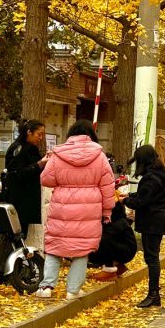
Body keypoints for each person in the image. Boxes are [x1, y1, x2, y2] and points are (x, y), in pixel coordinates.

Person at [38, 120, 114, 300]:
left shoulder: (58, 153)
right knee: (82, 249)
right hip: (89, 208)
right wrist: (107, 211)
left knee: (55, 246)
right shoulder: (99, 155)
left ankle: (47, 287)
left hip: (62, 206)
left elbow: (46, 180)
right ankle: (73, 290)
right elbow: (108, 186)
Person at [123, 144, 165, 308]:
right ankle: (153, 293)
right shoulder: (160, 175)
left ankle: (153, 294)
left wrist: (124, 200)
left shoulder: (150, 178)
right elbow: (147, 195)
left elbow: (142, 202)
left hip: (152, 221)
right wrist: (129, 194)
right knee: (152, 257)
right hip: (158, 218)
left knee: (151, 258)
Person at [3, 118, 46, 248]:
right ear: (29, 132)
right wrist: (39, 164)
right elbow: (17, 173)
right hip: (18, 200)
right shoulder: (19, 149)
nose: (41, 138)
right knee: (16, 235)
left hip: (27, 200)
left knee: (22, 234)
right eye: (39, 134)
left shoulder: (31, 149)